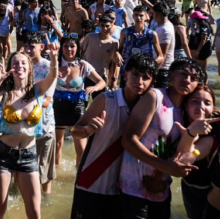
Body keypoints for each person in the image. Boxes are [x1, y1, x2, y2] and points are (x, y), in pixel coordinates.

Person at [70, 53, 158, 219]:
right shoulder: (106, 100)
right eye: (135, 75)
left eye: (145, 77)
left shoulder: (151, 109)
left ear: (152, 81)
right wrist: (88, 129)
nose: (139, 82)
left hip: (125, 189)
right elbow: (75, 130)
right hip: (93, 181)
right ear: (125, 74)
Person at [120, 58, 206, 219]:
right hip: (133, 190)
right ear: (171, 74)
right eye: (183, 74)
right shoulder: (155, 97)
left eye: (194, 79)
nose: (187, 80)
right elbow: (128, 140)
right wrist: (166, 166)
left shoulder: (187, 112)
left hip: (162, 193)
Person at [0, 47, 58, 219]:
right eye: (15, 63)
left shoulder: (37, 90)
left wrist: (54, 58)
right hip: (3, 155)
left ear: (30, 67)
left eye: (23, 63)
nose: (20, 66)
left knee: (34, 212)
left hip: (29, 154)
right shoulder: (5, 93)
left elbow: (53, 76)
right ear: (10, 68)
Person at [54, 33, 106, 167]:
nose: (69, 49)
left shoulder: (83, 65)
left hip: (77, 107)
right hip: (58, 107)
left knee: (82, 148)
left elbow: (102, 82)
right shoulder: (55, 63)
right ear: (61, 47)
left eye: (72, 46)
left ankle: (79, 175)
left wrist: (94, 88)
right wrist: (52, 74)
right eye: (65, 46)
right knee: (57, 145)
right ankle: (55, 173)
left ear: (78, 47)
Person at [173, 85, 219, 219]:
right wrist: (190, 133)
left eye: (207, 103)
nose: (201, 107)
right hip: (191, 187)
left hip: (210, 193)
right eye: (195, 101)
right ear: (185, 105)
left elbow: (182, 161)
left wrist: (190, 135)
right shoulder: (177, 122)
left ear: (213, 108)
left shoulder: (214, 133)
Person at [23, 32, 57, 195]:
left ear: (41, 47)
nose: (28, 50)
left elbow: (46, 101)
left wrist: (21, 101)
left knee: (44, 169)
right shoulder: (22, 66)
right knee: (26, 169)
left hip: (44, 126)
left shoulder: (48, 67)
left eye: (32, 47)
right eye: (26, 46)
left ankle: (46, 198)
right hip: (24, 127)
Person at [81, 14, 119, 96]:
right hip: (86, 74)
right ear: (99, 25)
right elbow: (81, 51)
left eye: (107, 26)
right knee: (83, 101)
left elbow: (113, 64)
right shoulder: (90, 37)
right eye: (102, 25)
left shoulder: (114, 43)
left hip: (101, 76)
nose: (105, 28)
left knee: (100, 103)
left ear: (112, 25)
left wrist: (113, 80)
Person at [152, 1, 175, 88]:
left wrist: (155, 72)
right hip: (162, 68)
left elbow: (163, 54)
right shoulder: (165, 25)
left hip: (163, 70)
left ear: (156, 14)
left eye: (153, 13)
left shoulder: (165, 30)